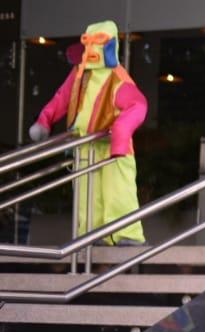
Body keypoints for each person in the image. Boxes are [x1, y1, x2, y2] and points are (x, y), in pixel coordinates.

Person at [30, 20, 146, 245]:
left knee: (118, 191)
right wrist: (44, 121)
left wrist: (121, 132)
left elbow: (139, 106)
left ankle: (126, 235)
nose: (92, 48)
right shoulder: (79, 73)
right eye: (88, 42)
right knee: (86, 195)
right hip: (84, 145)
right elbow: (62, 98)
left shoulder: (117, 78)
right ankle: (92, 236)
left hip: (114, 146)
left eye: (98, 42)